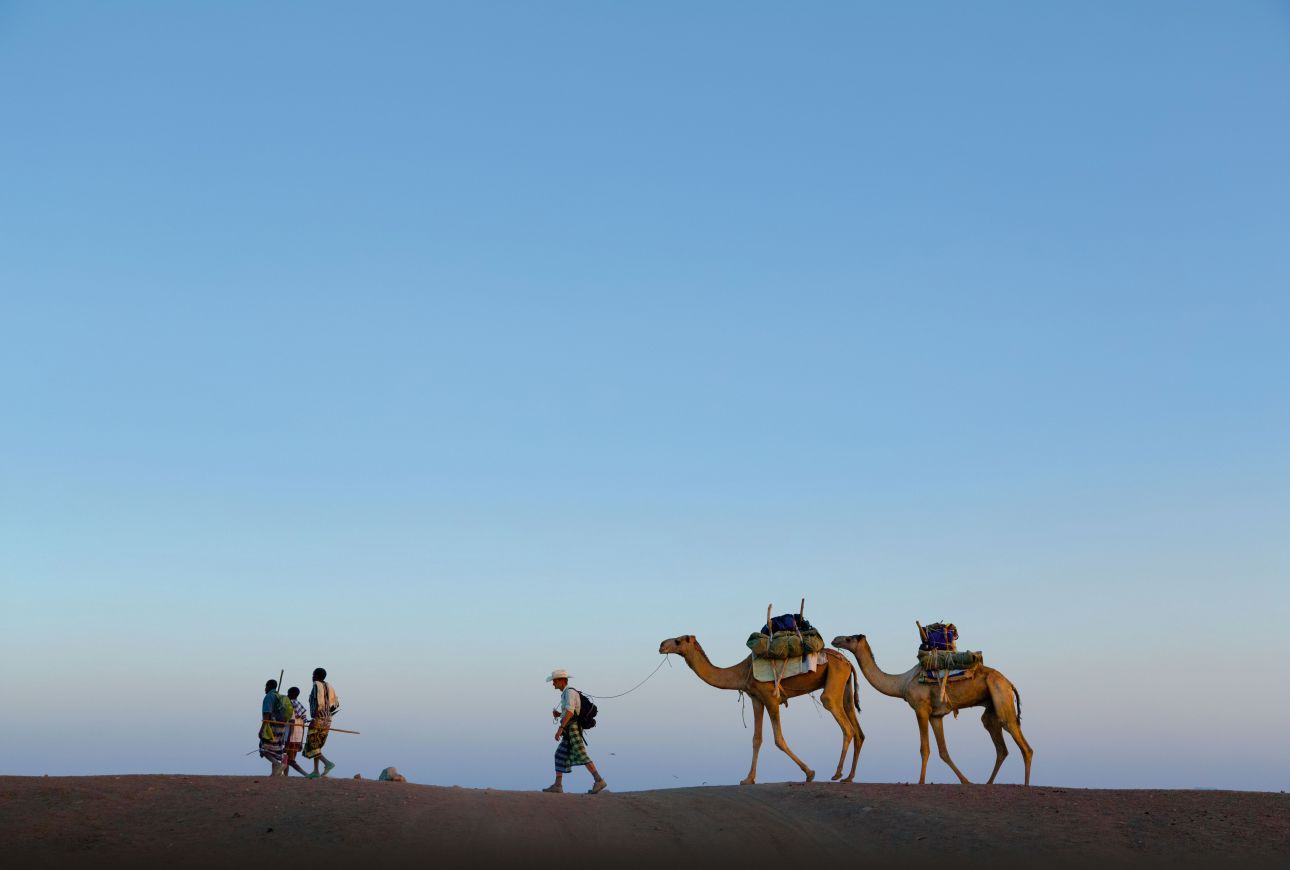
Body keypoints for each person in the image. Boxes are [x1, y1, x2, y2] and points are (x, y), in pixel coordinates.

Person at [543, 669, 606, 794]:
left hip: (572, 728)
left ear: (562, 681)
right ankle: (558, 785)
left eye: (555, 681)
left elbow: (571, 712)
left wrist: (560, 729)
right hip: (569, 728)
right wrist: (560, 714)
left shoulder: (569, 693)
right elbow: (570, 712)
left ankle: (599, 780)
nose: (553, 684)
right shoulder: (566, 693)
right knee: (559, 755)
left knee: (581, 755)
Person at [303, 667, 338, 778]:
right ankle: (316, 771)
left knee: (312, 745)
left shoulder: (316, 686)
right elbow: (336, 704)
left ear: (317, 676)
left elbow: (318, 703)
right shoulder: (329, 686)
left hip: (318, 719)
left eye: (313, 675)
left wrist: (315, 718)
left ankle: (327, 763)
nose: (312, 677)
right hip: (328, 719)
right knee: (317, 745)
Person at [258, 679, 288, 776]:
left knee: (264, 748)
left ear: (269, 686)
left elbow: (267, 714)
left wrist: (262, 729)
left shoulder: (269, 696)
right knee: (274, 749)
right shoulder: (279, 696)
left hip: (272, 726)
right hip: (281, 727)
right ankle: (276, 773)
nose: (264, 689)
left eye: (266, 687)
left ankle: (277, 765)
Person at [283, 687, 309, 776]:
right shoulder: (301, 708)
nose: (287, 695)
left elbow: (292, 723)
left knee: (290, 760)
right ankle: (285, 776)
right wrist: (301, 741)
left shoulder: (291, 706)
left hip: (291, 737)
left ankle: (306, 774)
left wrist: (288, 739)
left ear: (292, 694)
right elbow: (303, 726)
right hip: (298, 737)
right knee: (286, 758)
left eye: (288, 693)